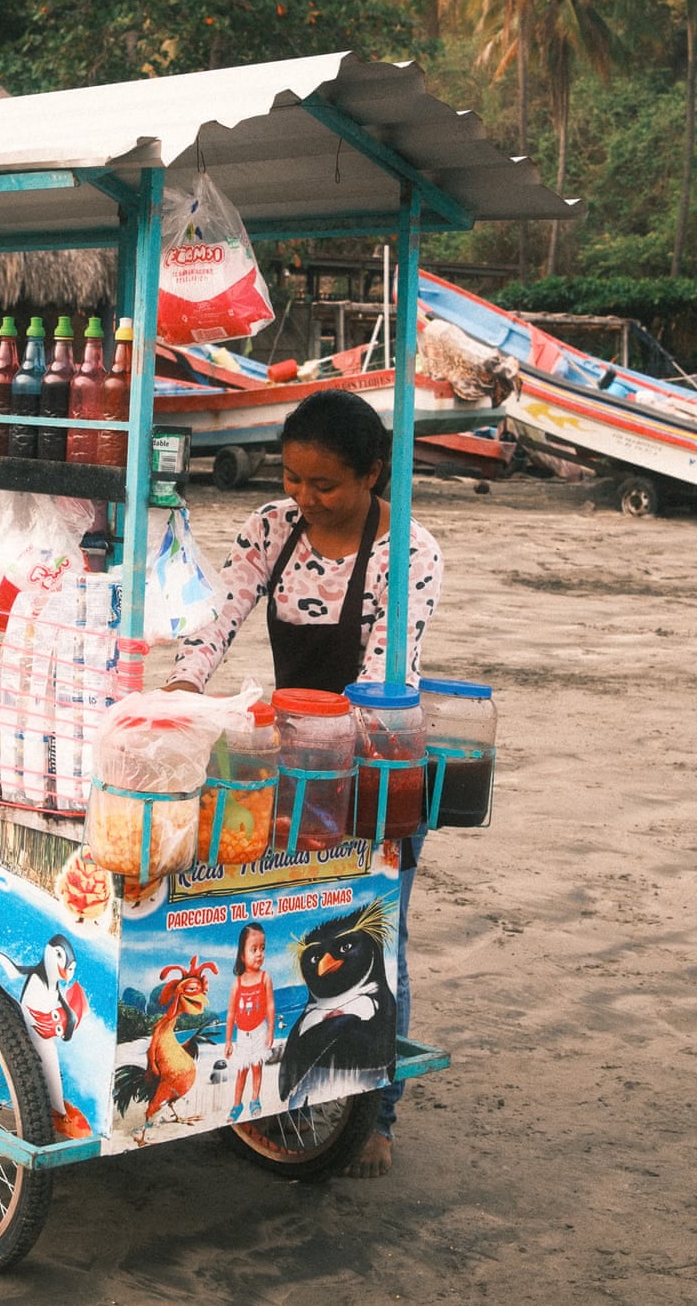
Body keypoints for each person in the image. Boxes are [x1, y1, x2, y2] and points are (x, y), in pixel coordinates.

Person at [166, 388, 442, 1178]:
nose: (304, 497)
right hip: (290, 759)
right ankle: (261, 1096)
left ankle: (375, 1117)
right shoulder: (270, 528)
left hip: (374, 763)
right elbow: (218, 616)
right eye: (292, 477)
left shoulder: (407, 552)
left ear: (371, 476)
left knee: (373, 936)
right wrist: (185, 691)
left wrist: (313, 747)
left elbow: (384, 673)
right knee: (270, 926)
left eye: (324, 485)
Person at [225, 922, 275, 1122]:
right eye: (253, 949)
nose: (259, 954)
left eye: (262, 948)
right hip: (243, 1036)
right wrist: (228, 1041)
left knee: (257, 1068)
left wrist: (271, 1030)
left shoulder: (265, 978)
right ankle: (237, 1104)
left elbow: (270, 1006)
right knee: (241, 1071)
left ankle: (255, 1099)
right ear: (242, 955)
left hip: (260, 1031)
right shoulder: (237, 983)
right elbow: (230, 1014)